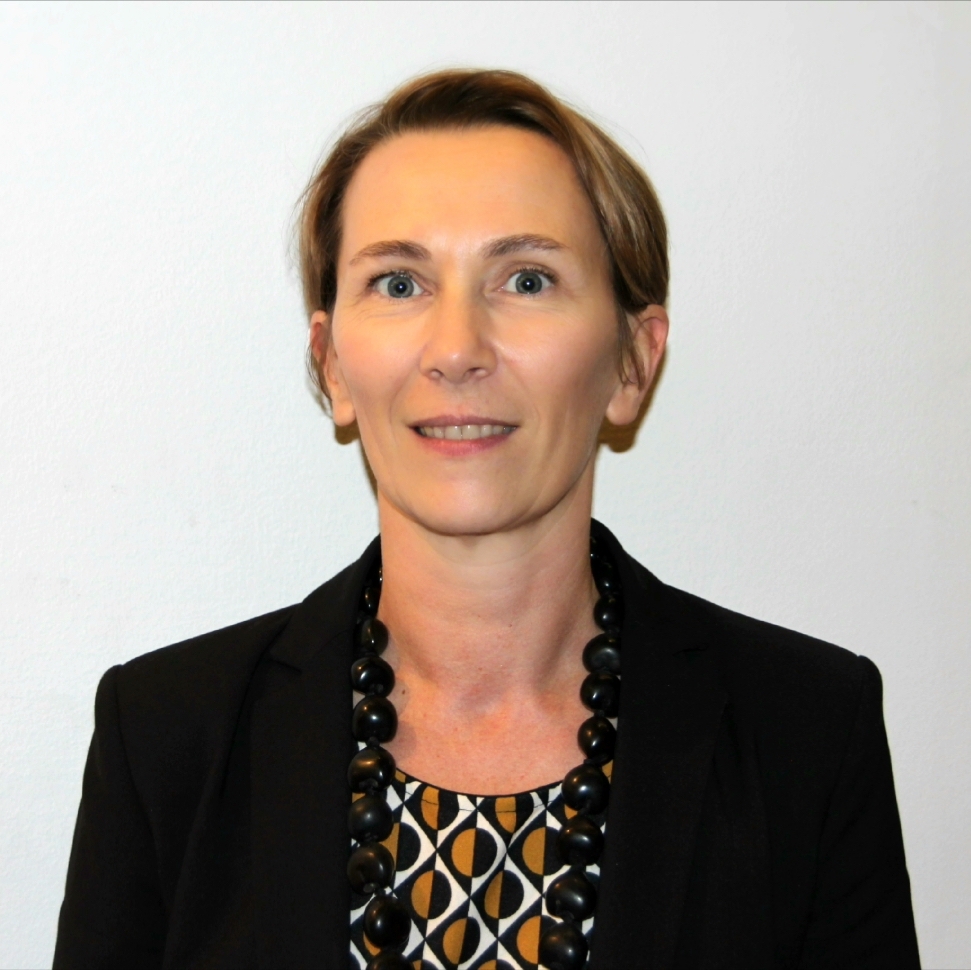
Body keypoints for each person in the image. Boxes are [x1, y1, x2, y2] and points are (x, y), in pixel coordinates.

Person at [53, 69, 920, 970]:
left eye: (526, 279)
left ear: (632, 362)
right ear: (333, 365)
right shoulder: (166, 737)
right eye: (398, 283)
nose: (457, 349)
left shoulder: (808, 734)